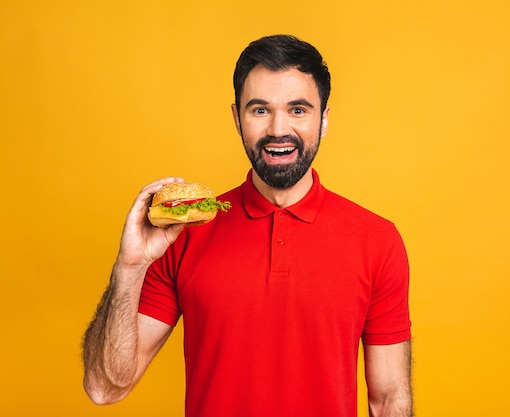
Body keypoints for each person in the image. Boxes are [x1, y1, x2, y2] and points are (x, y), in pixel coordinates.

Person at [82, 34, 413, 417]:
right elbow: (105, 387)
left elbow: (388, 400)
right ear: (237, 119)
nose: (277, 130)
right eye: (260, 110)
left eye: (298, 110)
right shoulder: (184, 234)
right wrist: (130, 267)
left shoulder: (377, 240)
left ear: (323, 120)